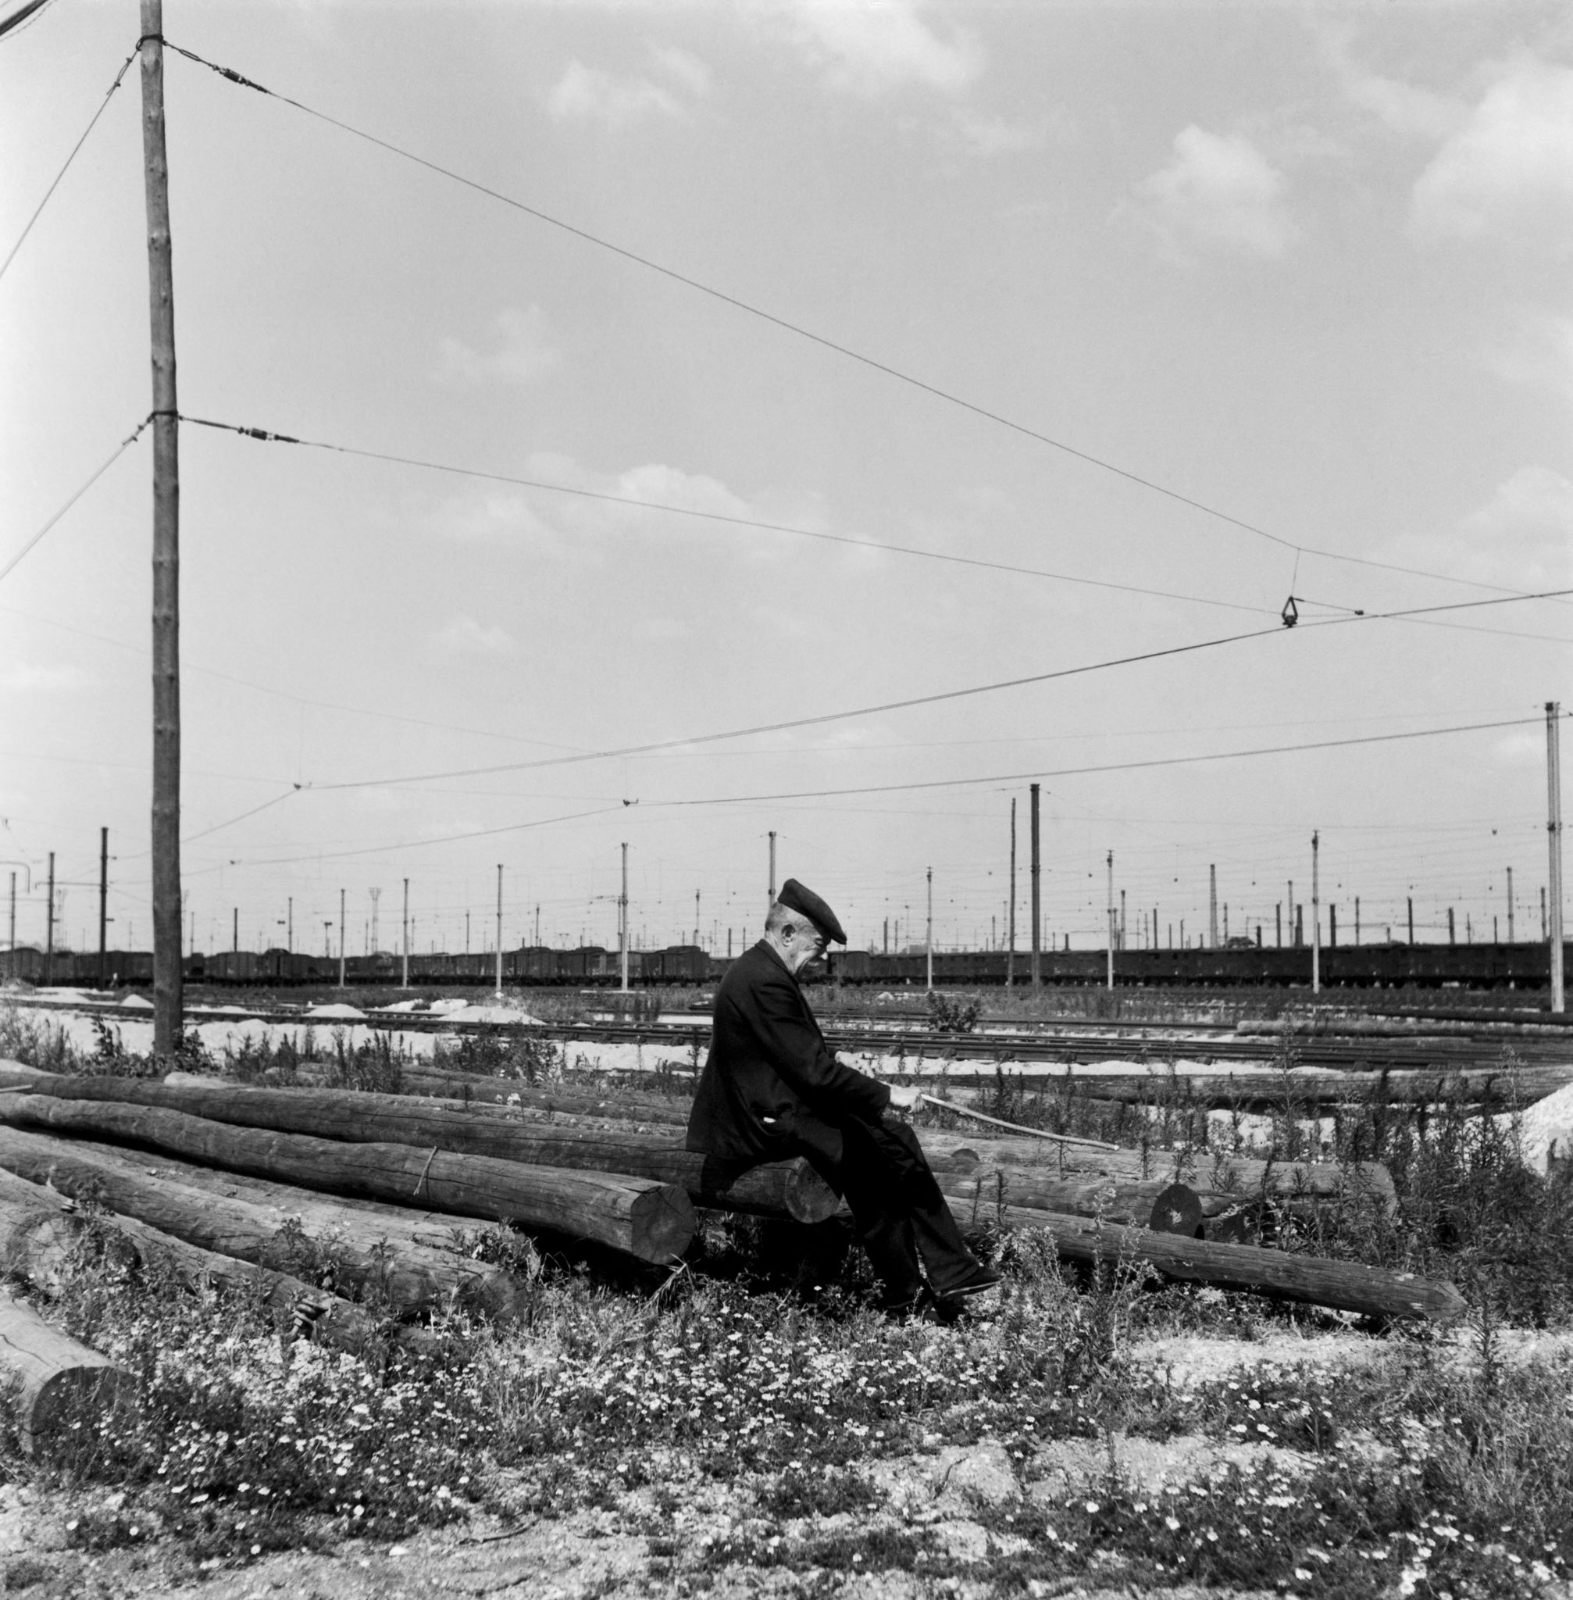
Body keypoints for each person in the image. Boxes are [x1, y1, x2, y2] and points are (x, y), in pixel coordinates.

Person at [686, 878, 1000, 1319]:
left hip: (778, 1107)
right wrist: (889, 1093)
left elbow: (793, 1053)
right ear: (787, 932)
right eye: (817, 945)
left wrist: (841, 1056)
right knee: (873, 1165)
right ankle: (909, 1296)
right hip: (764, 1119)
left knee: (897, 1138)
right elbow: (812, 1073)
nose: (820, 959)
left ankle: (948, 1273)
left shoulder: (762, 970)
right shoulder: (764, 981)